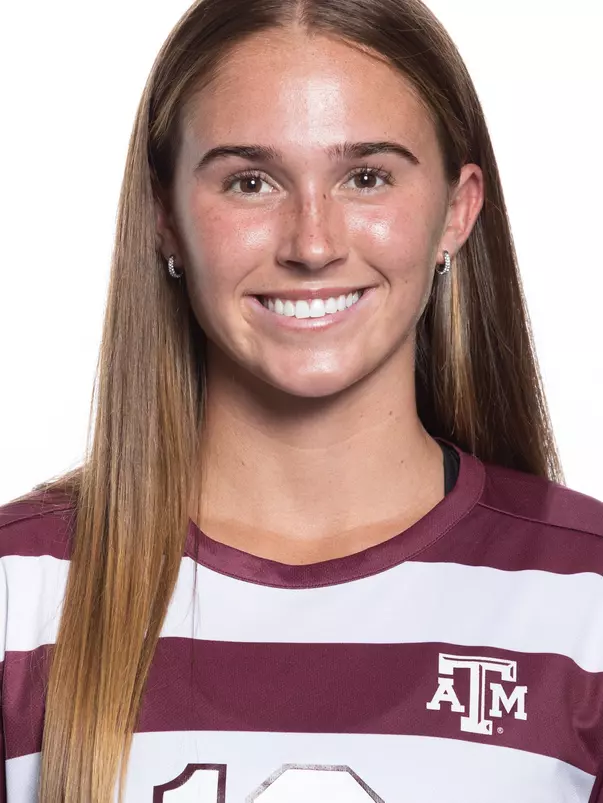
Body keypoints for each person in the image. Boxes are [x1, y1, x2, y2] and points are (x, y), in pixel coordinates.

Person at [1, 0, 602, 800]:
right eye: (250, 181)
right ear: (165, 218)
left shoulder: (585, 597)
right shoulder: (22, 591)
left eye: (366, 177)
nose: (312, 244)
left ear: (456, 212)